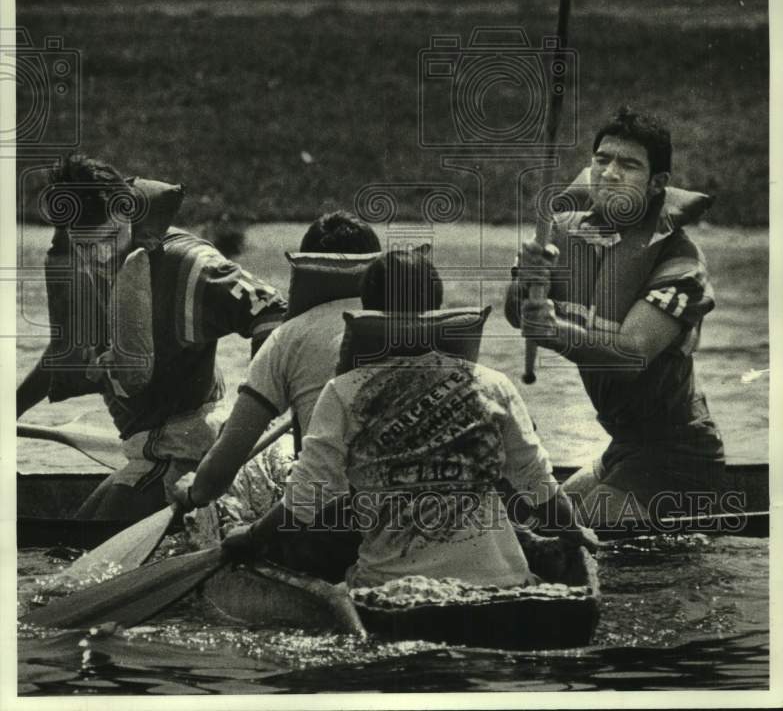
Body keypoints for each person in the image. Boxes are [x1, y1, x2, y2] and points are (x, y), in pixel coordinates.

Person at [222, 248, 596, 589]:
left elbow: (304, 501)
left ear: (370, 309)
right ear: (435, 306)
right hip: (504, 581)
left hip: (392, 587)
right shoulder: (494, 384)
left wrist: (252, 537)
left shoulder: (343, 391)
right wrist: (576, 534)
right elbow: (537, 484)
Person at [16, 154, 288, 521]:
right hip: (144, 450)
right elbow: (66, 353)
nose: (100, 256)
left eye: (111, 238)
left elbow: (272, 311)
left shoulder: (188, 264)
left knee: (85, 545)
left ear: (128, 211)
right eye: (85, 245)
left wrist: (255, 415)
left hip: (188, 445)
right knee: (73, 537)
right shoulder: (74, 255)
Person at [505, 106, 725, 527]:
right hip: (623, 447)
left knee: (574, 537)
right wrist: (526, 284)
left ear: (657, 182)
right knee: (533, 525)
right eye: (602, 159)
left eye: (628, 164)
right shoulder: (565, 234)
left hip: (679, 457)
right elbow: (518, 315)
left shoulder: (680, 262)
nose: (609, 173)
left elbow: (631, 356)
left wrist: (554, 330)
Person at [171, 211, 382, 523]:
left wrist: (193, 491)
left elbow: (228, 459)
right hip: (406, 512)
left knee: (258, 469)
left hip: (328, 522)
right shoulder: (412, 329)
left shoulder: (288, 338)